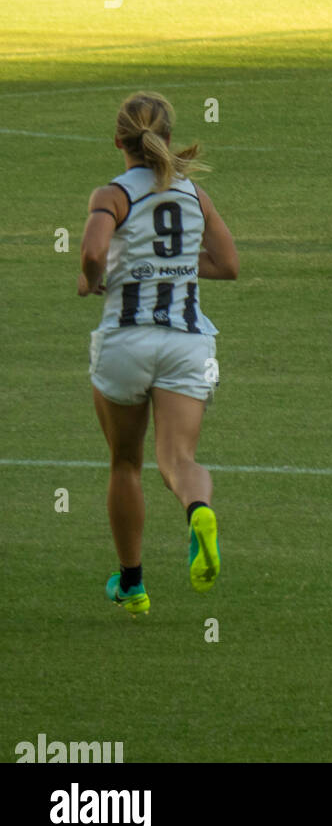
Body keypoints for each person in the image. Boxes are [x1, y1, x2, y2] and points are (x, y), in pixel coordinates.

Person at [80, 92, 238, 617]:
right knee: (178, 459)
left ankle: (133, 584)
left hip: (127, 340)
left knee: (126, 462)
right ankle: (198, 509)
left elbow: (93, 249)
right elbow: (228, 263)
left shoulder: (112, 194)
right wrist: (176, 270)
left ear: (119, 142)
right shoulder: (196, 194)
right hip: (187, 342)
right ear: (167, 138)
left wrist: (92, 279)